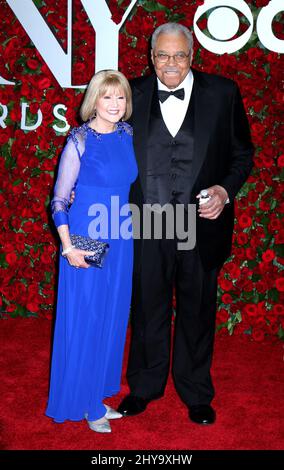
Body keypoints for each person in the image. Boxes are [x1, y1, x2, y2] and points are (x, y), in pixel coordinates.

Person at [117, 23, 254, 424]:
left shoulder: (223, 92)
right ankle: (143, 387)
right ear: (151, 56)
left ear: (192, 57)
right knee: (146, 308)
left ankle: (196, 392)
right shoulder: (131, 93)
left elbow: (242, 154)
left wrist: (225, 193)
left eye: (179, 55)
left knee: (197, 309)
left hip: (201, 222)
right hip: (147, 222)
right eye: (163, 55)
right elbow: (103, 146)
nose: (171, 64)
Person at [45, 70, 138, 433]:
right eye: (107, 97)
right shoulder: (79, 141)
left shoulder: (127, 134)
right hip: (84, 243)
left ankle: (96, 396)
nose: (115, 105)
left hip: (120, 239)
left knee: (112, 320)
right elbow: (58, 200)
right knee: (86, 321)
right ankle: (83, 403)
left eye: (121, 98)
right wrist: (68, 247)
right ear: (93, 101)